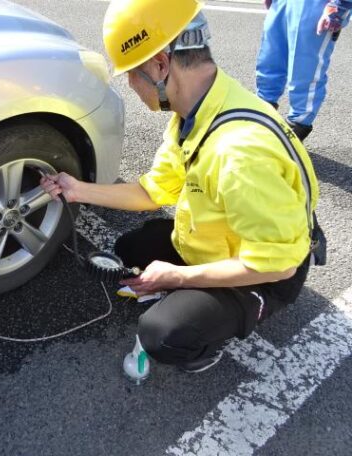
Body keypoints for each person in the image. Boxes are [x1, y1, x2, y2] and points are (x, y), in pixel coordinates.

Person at [41, 0, 319, 373]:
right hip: (224, 240)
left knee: (164, 333)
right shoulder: (200, 109)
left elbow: (278, 263)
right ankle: (188, 287)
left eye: (132, 74)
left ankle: (203, 345)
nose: (132, 86)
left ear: (159, 64)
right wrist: (77, 190)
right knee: (128, 248)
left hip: (269, 270)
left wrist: (178, 277)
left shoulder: (240, 155)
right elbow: (154, 191)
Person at [257, 0, 352, 142]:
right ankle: (263, 113)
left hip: (316, 6)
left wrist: (339, 6)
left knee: (305, 68)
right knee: (270, 59)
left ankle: (296, 127)